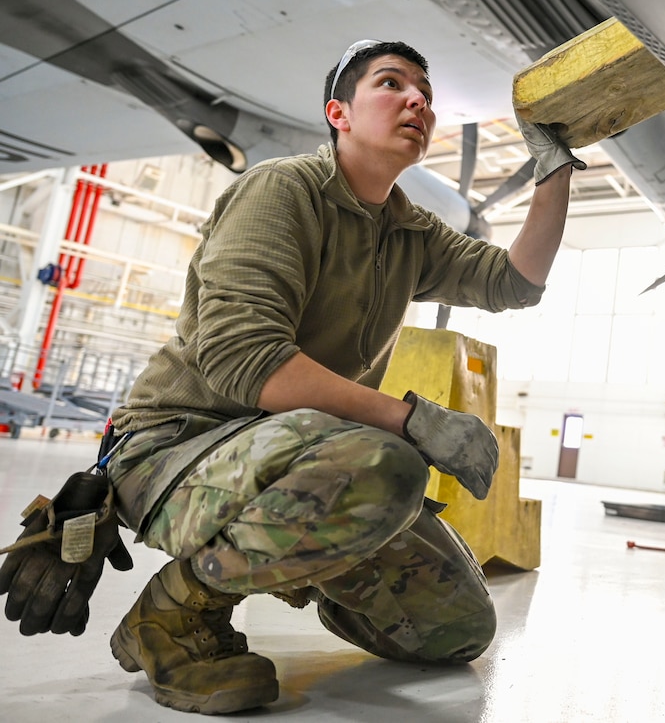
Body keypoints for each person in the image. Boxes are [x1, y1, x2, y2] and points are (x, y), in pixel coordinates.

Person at [92, 39, 581, 714]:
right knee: (388, 463)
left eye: (426, 93)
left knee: (455, 628)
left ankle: (314, 558)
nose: (418, 100)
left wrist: (554, 171)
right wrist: (410, 418)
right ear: (338, 113)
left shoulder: (408, 230)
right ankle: (176, 610)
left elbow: (516, 281)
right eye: (391, 83)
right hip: (176, 446)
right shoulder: (281, 190)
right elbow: (245, 360)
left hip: (297, 449)